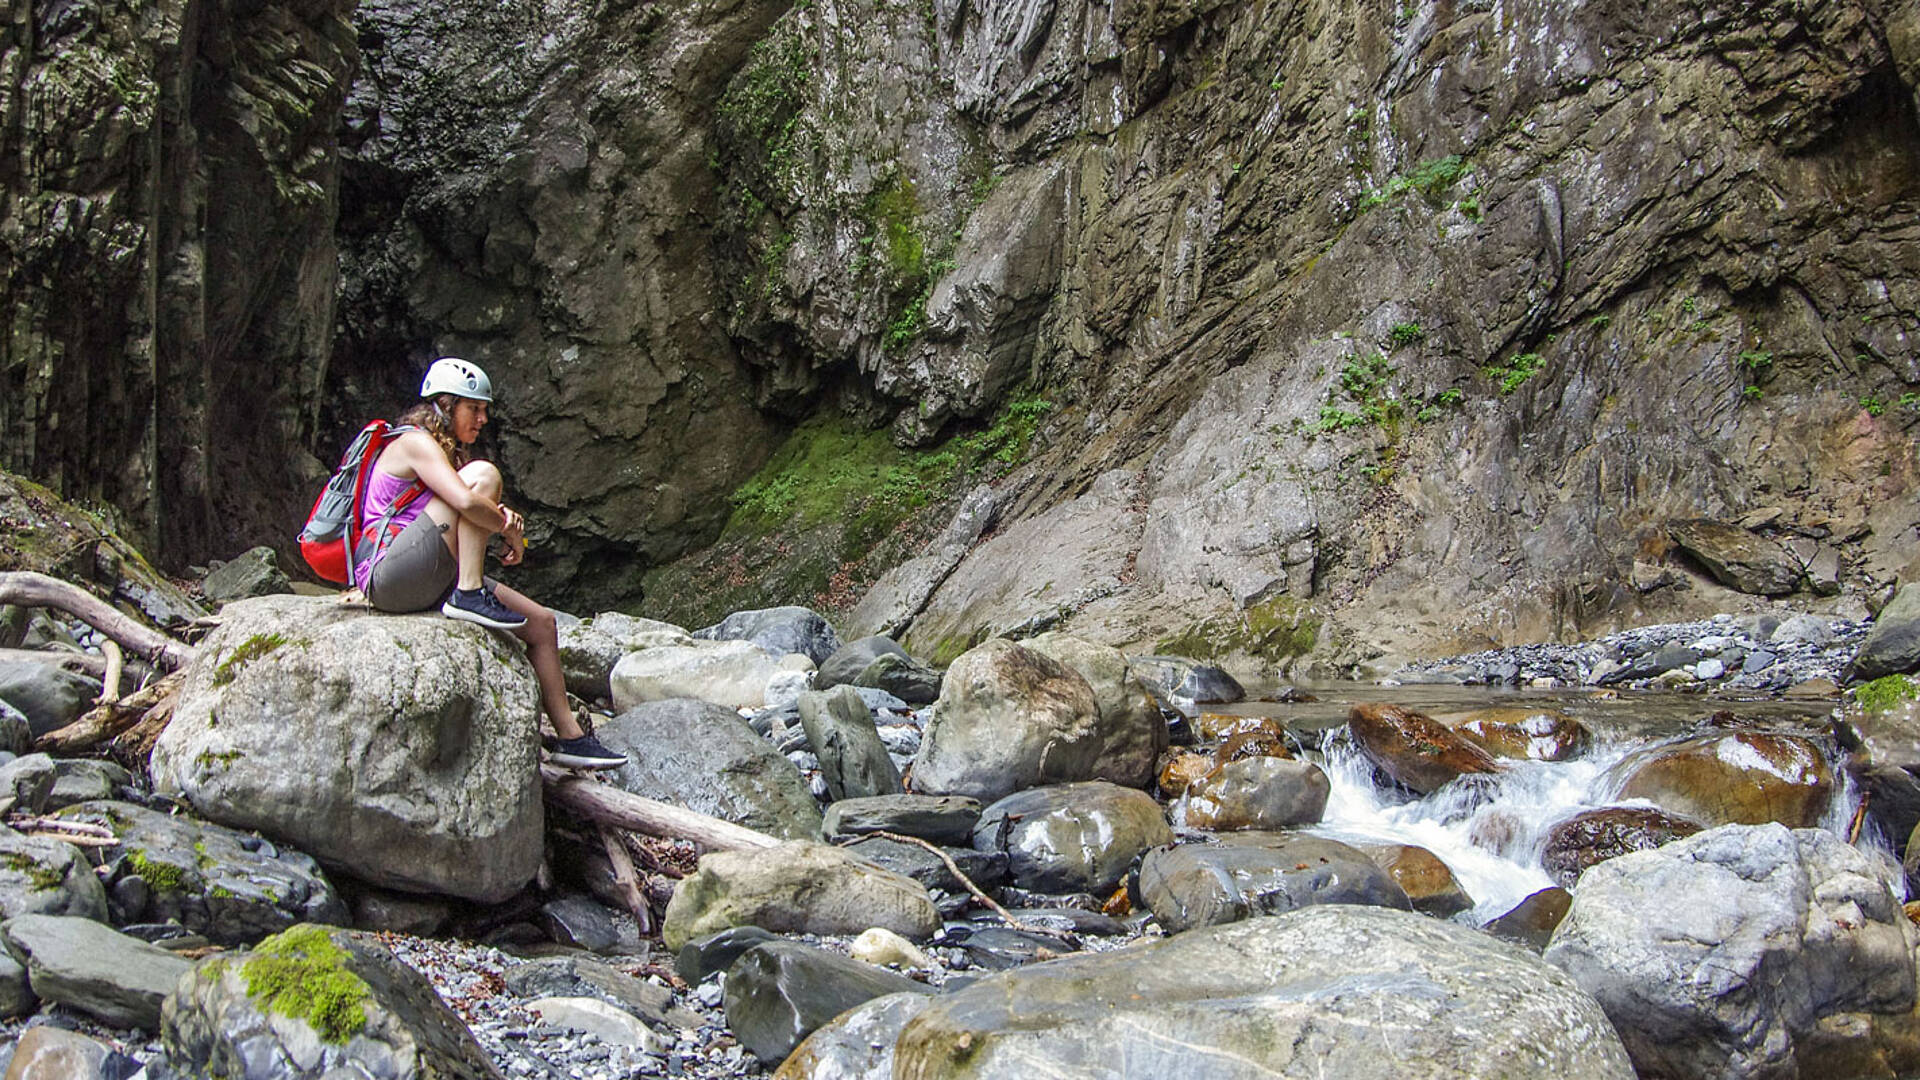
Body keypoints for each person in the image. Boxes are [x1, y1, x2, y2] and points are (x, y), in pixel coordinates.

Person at [353, 357, 627, 770]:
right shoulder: (413, 443)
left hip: (423, 572)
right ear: (445, 405)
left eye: (484, 410)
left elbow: (465, 512)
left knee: (542, 624)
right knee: (483, 475)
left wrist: (498, 518)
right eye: (473, 409)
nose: (482, 419)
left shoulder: (443, 454)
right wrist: (506, 526)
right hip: (391, 573)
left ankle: (571, 739)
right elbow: (465, 501)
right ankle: (468, 593)